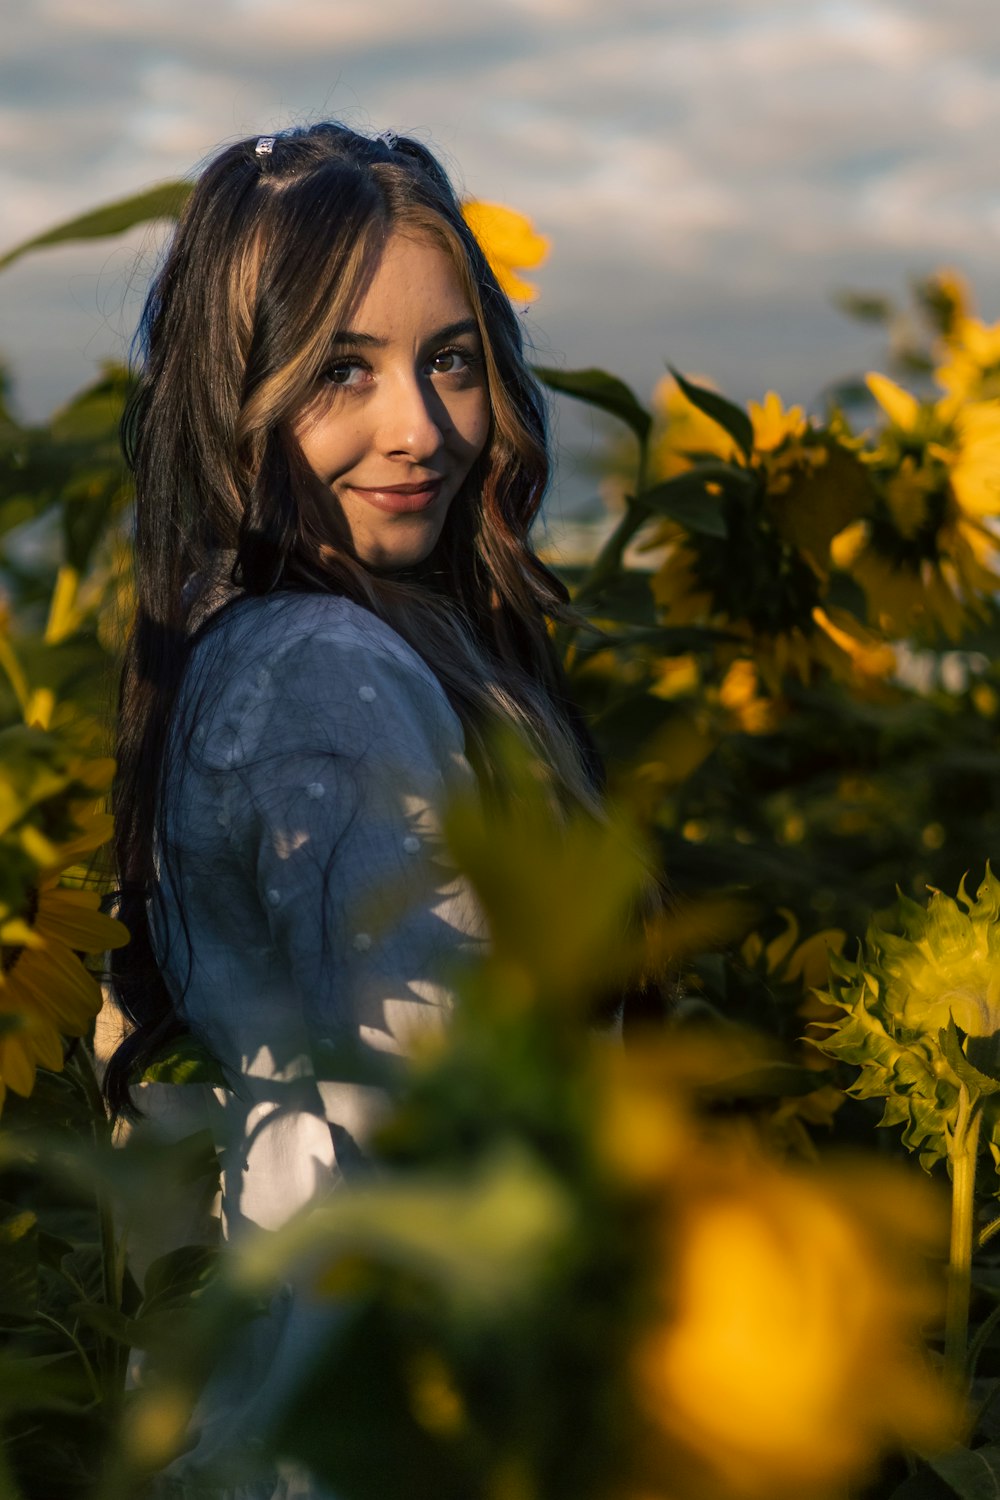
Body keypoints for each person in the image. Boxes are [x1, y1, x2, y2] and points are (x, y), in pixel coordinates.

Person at [104, 122, 614, 1497]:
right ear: (239, 391)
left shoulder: (240, 645)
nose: (426, 430)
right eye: (342, 369)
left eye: (452, 360)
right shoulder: (332, 667)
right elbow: (442, 1136)